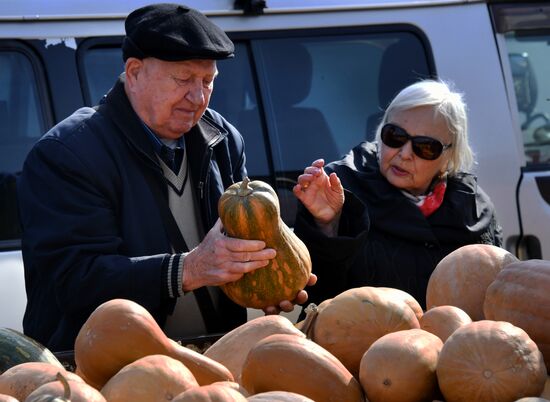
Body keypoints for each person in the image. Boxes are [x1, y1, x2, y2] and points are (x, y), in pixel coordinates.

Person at [17, 3, 313, 351]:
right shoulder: (66, 153)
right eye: (184, 79)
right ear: (134, 72)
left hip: (210, 354)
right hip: (103, 368)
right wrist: (187, 269)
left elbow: (241, 245)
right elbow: (73, 281)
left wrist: (277, 275)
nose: (198, 97)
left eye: (207, 81)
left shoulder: (223, 138)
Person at [293, 79, 502, 312]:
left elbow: (497, 295)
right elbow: (313, 296)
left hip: (454, 344)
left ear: (449, 155)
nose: (404, 154)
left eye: (425, 147)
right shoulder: (340, 186)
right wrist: (326, 226)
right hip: (357, 344)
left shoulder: (473, 208)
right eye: (395, 136)